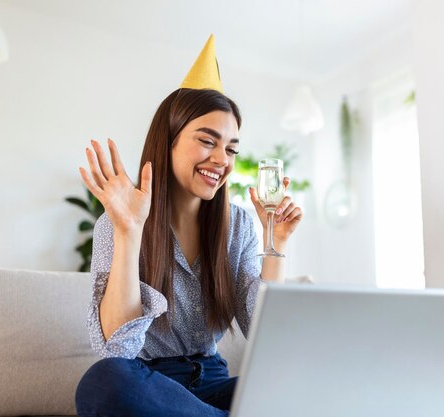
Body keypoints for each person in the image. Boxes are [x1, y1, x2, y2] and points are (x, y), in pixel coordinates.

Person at [73, 35, 303, 417]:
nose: (221, 159)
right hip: (151, 387)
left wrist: (273, 242)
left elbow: (266, 338)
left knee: (297, 383)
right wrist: (130, 232)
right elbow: (117, 351)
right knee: (102, 383)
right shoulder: (115, 224)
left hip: (212, 383)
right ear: (170, 140)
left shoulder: (239, 226)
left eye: (231, 148)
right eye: (207, 141)